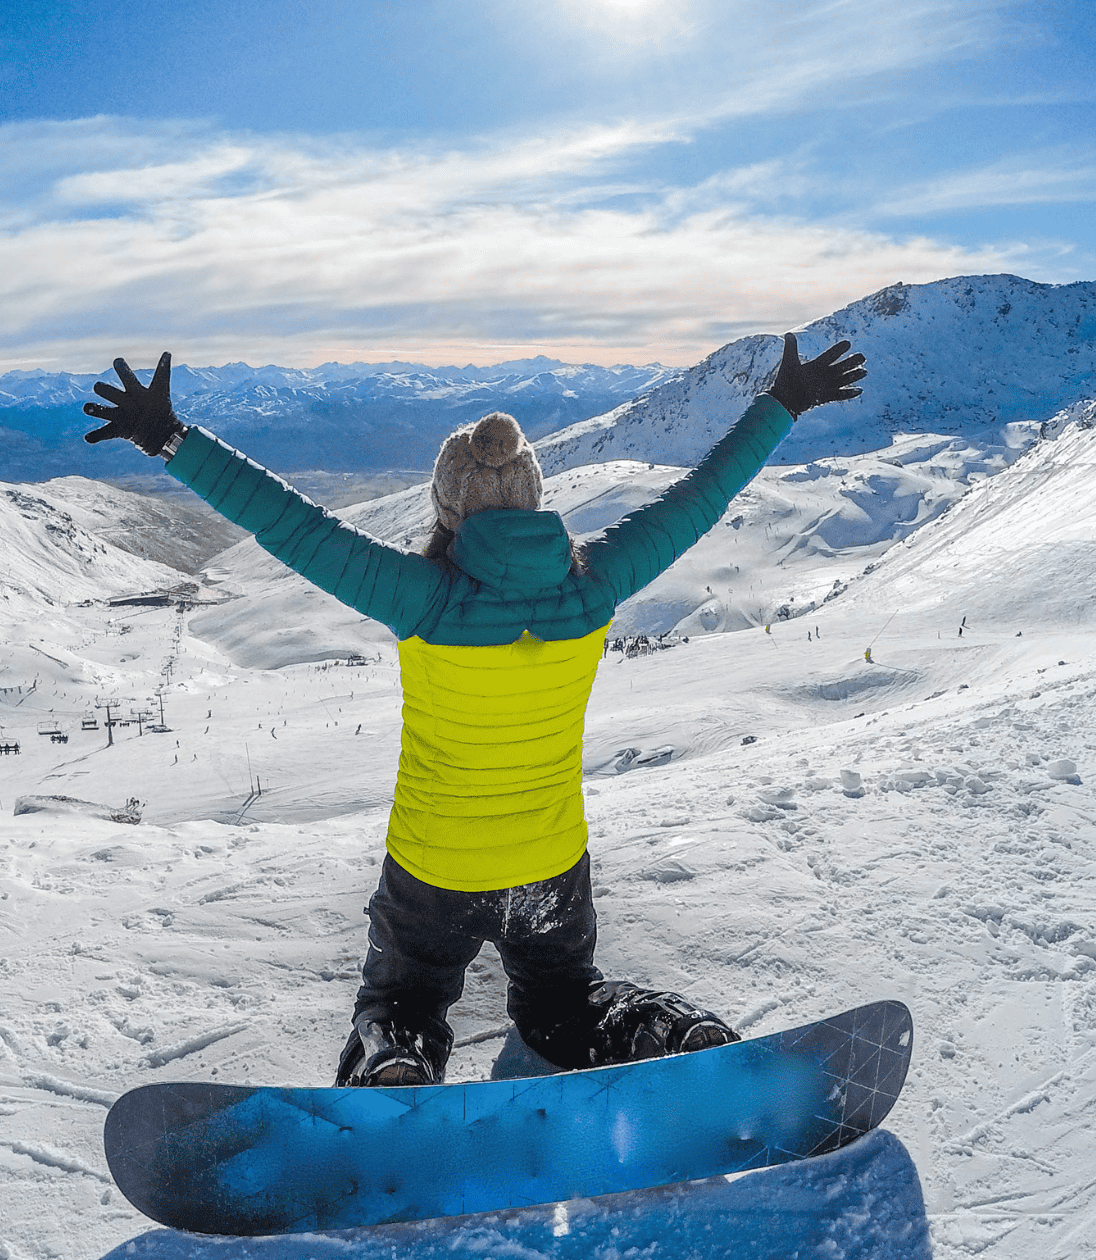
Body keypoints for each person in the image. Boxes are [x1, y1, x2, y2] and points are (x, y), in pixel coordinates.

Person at [83, 334, 865, 1086]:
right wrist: (782, 404)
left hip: (434, 870)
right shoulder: (593, 586)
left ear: (448, 508)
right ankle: (658, 1031)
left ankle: (397, 1060)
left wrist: (169, 437)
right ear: (532, 496)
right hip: (549, 864)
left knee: (406, 1001)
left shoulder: (423, 598)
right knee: (566, 1006)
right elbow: (700, 498)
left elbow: (291, 526)